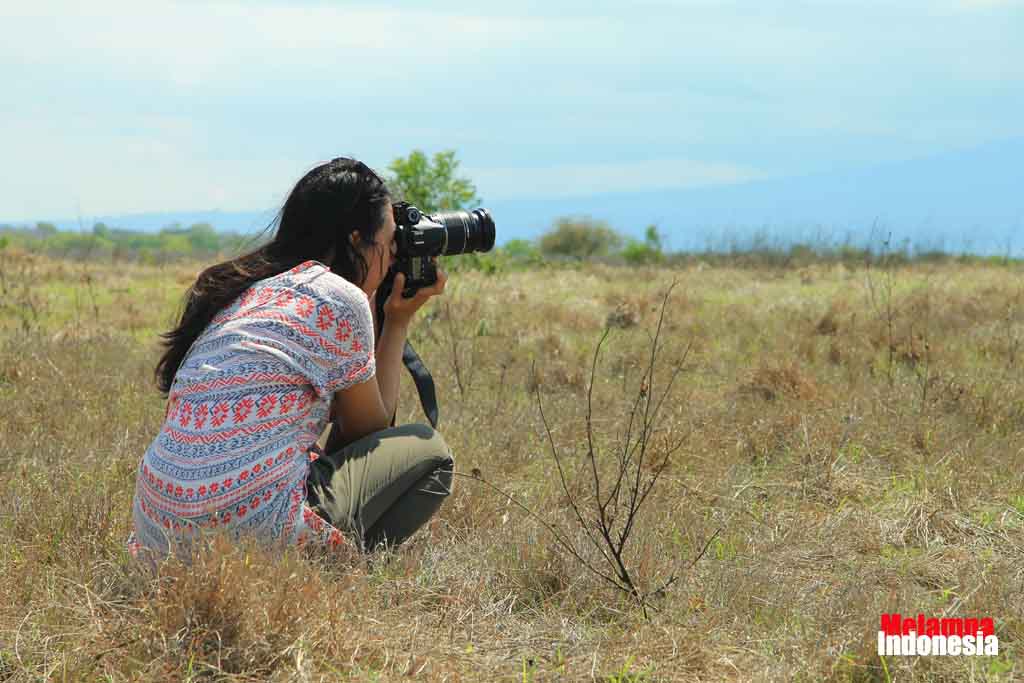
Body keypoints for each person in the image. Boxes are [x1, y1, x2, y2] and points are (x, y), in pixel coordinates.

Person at [127, 157, 453, 562]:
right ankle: (336, 568)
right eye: (388, 245)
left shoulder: (245, 292)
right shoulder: (336, 297)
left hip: (158, 534)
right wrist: (397, 322)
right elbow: (371, 430)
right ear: (356, 242)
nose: (391, 259)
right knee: (430, 452)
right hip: (248, 534)